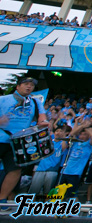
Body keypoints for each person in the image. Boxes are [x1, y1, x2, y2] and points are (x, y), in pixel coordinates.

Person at [0, 77, 49, 210]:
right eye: (26, 84)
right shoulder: (3, 99)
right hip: (1, 137)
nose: (29, 87)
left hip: (18, 142)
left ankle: (2, 199)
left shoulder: (35, 102)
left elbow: (42, 119)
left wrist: (44, 124)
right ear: (18, 86)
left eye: (31, 85)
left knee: (15, 170)